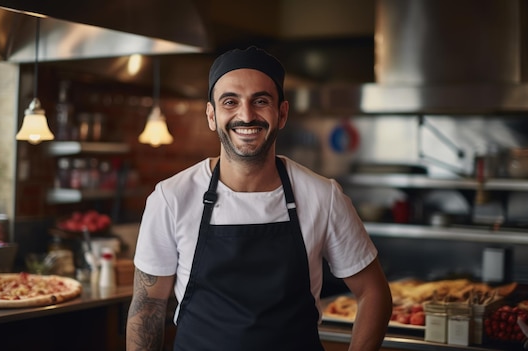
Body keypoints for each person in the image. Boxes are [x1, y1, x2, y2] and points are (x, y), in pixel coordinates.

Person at [126, 46, 393, 351]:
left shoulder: (323, 196)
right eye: (230, 102)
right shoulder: (171, 197)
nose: (246, 115)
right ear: (212, 116)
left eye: (261, 101)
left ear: (282, 113)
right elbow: (148, 307)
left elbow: (374, 293)